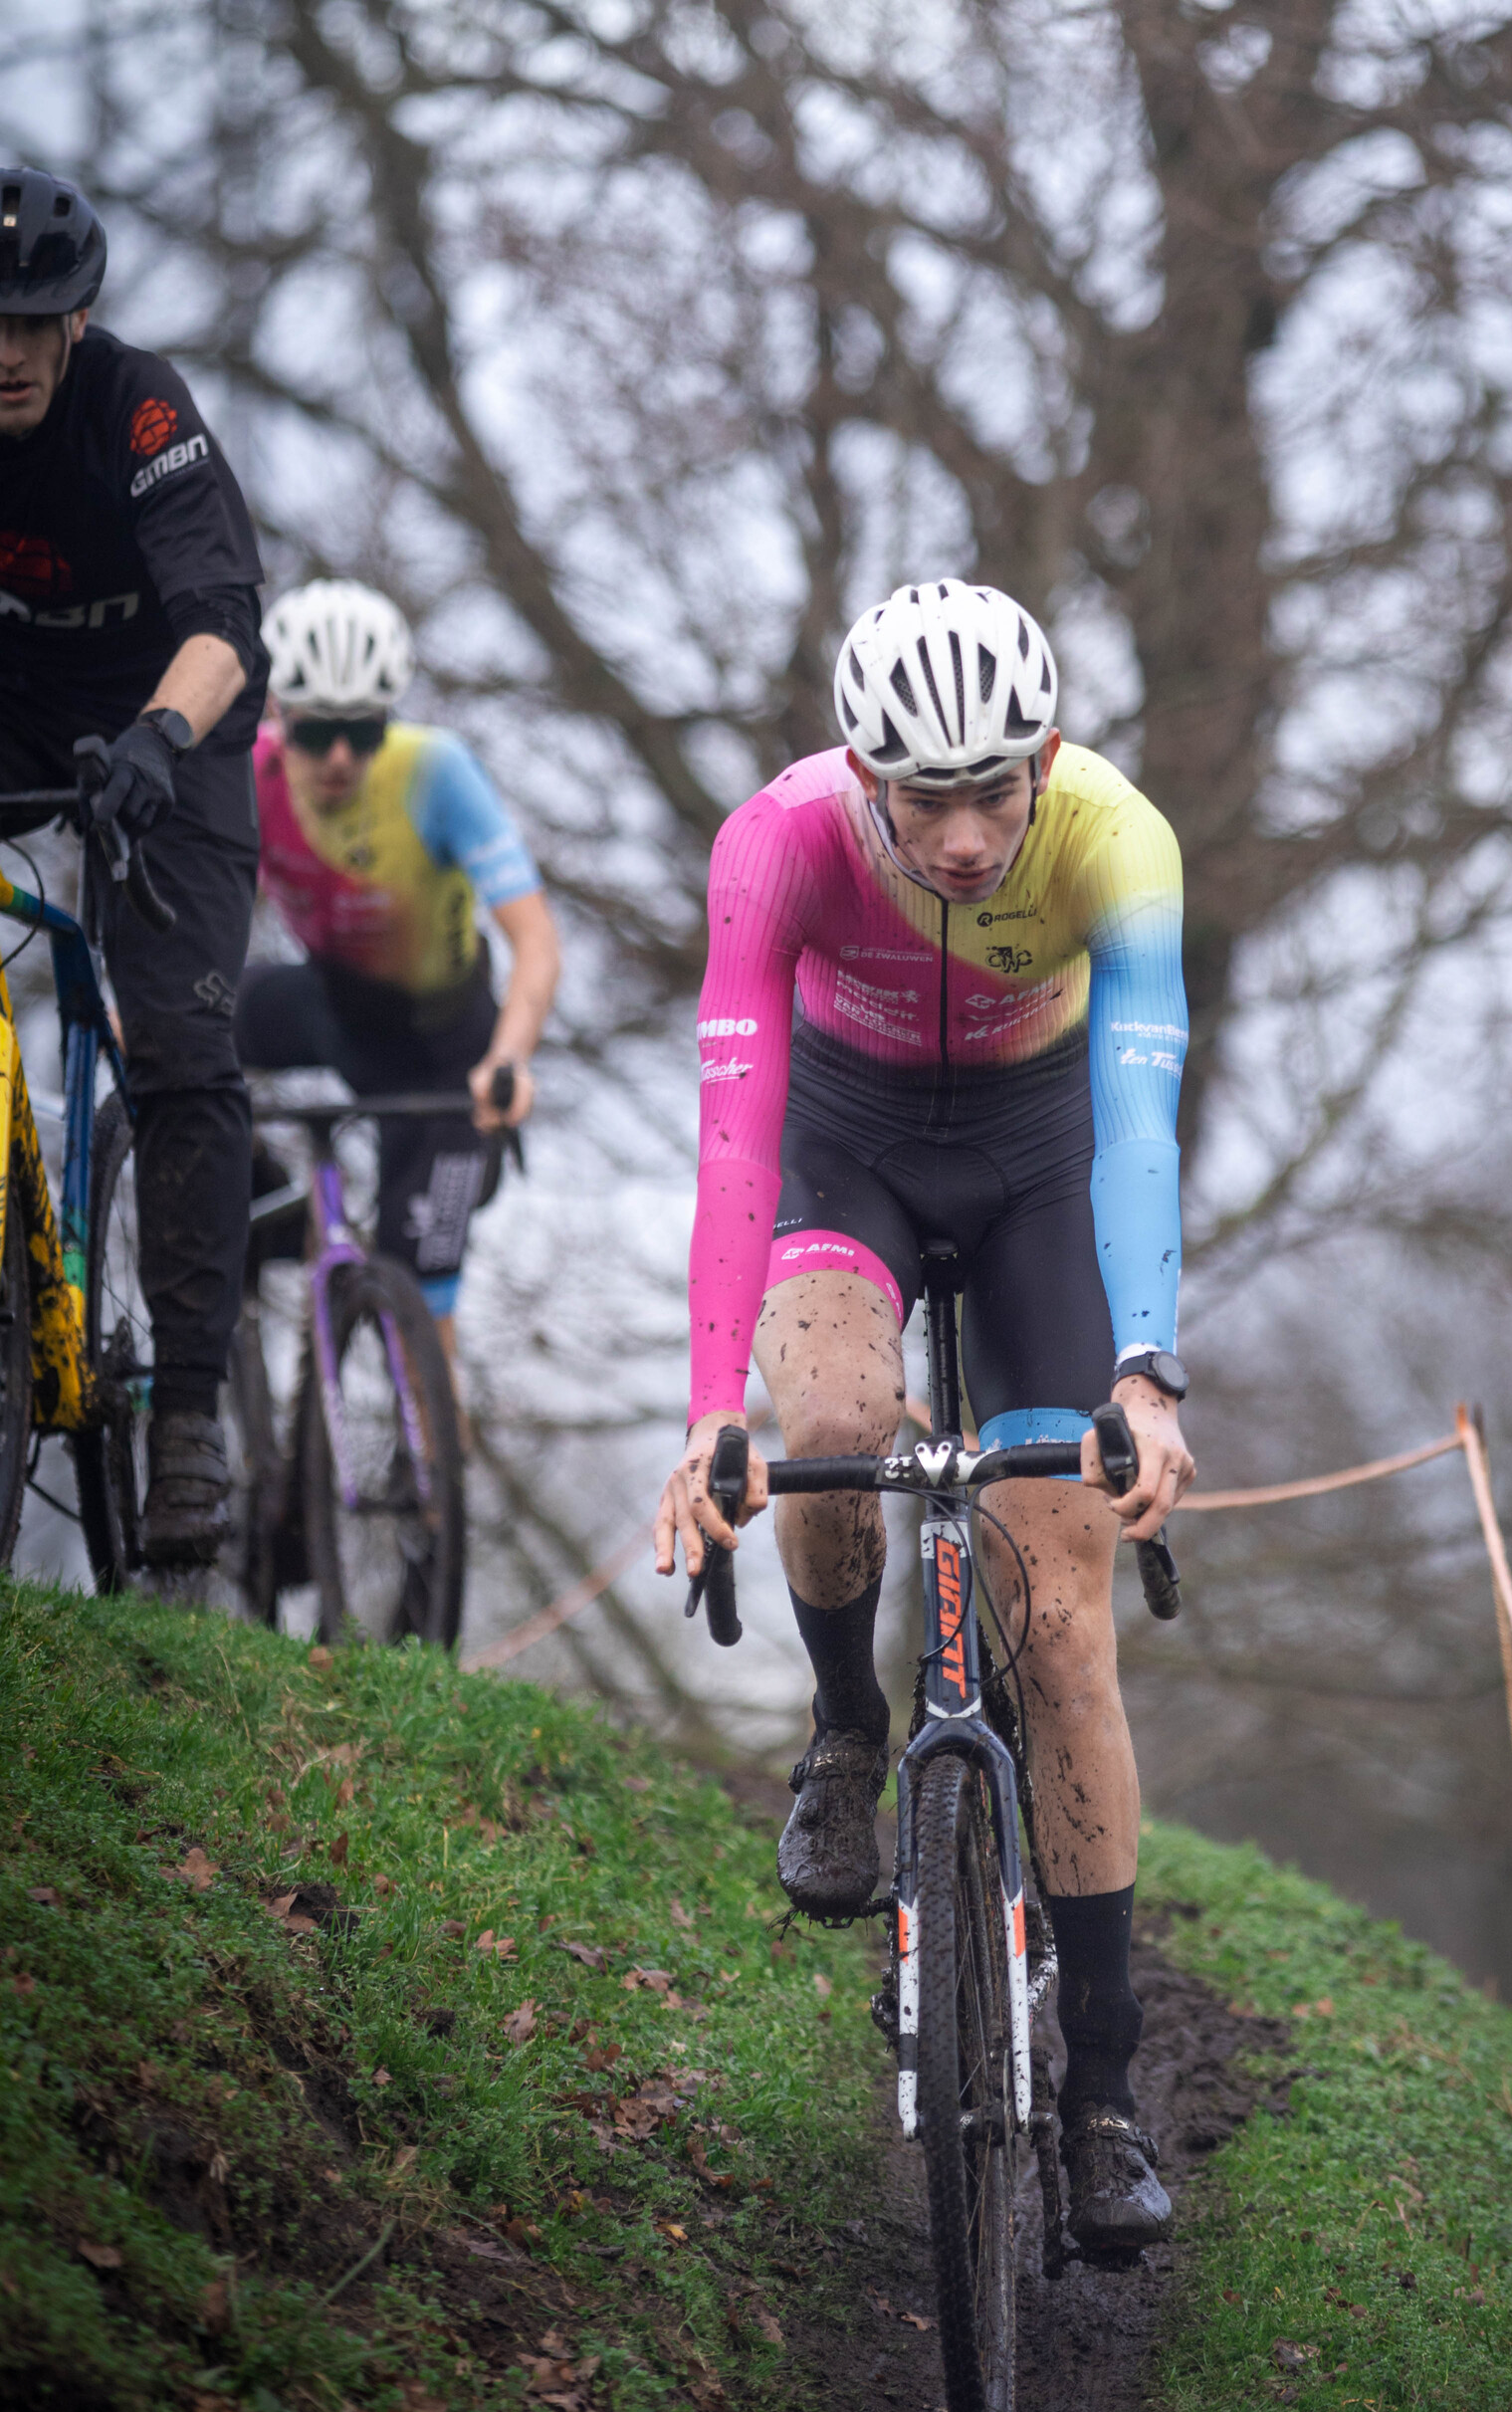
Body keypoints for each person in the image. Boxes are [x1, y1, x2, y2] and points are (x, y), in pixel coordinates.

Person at [654, 579, 1195, 2255]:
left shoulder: (1120, 837)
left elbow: (1135, 1115)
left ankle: (1099, 2098)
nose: (965, 836)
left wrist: (1147, 1373)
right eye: (923, 798)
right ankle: (842, 1734)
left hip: (1042, 1157)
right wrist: (703, 1410)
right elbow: (737, 1135)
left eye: (994, 790)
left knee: (1064, 1625)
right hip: (849, 1142)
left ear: (1045, 755)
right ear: (858, 772)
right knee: (828, 1419)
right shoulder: (776, 847)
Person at [0, 165, 266, 1563]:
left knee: (180, 1045)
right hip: (23, 694)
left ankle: (187, 1420)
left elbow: (225, 616)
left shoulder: (140, 406)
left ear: (76, 321)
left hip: (178, 709)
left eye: (28, 322)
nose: (2, 351)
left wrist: (160, 737)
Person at [235, 580, 558, 1369]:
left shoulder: (433, 771)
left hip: (447, 1051)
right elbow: (204, 934)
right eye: (317, 734)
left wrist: (509, 1059)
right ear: (279, 714)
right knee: (170, 1027)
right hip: (335, 1012)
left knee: (422, 1303)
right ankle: (271, 1210)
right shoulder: (248, 779)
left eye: (362, 729)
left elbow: (536, 940)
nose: (340, 756)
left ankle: (436, 1482)